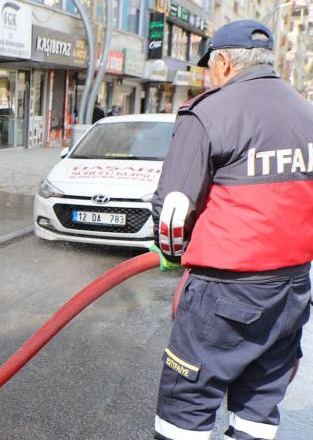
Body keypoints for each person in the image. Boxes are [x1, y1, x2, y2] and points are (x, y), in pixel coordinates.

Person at [150, 20, 312, 440]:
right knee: (259, 403)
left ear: (223, 61)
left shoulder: (209, 112)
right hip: (292, 289)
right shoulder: (307, 114)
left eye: (209, 65)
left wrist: (172, 253)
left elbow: (172, 211)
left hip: (224, 294)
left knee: (187, 403)